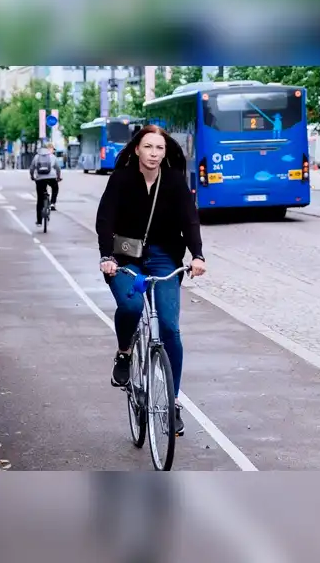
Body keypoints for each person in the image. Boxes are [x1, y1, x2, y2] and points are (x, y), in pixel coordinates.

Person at [95, 125, 207, 437]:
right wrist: (107, 256)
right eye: (149, 147)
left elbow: (190, 219)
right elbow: (105, 219)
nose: (154, 153)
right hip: (125, 257)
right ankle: (124, 352)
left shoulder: (173, 181)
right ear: (137, 150)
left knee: (170, 327)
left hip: (162, 257)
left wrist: (197, 255)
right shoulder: (121, 179)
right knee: (130, 306)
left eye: (159, 148)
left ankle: (171, 402)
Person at [30, 143, 61, 223]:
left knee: (40, 200)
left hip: (40, 179)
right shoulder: (52, 157)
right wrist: (58, 177)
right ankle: (52, 203)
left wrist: (32, 176)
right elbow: (58, 168)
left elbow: (32, 168)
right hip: (51, 178)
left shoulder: (37, 157)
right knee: (55, 188)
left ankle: (39, 221)